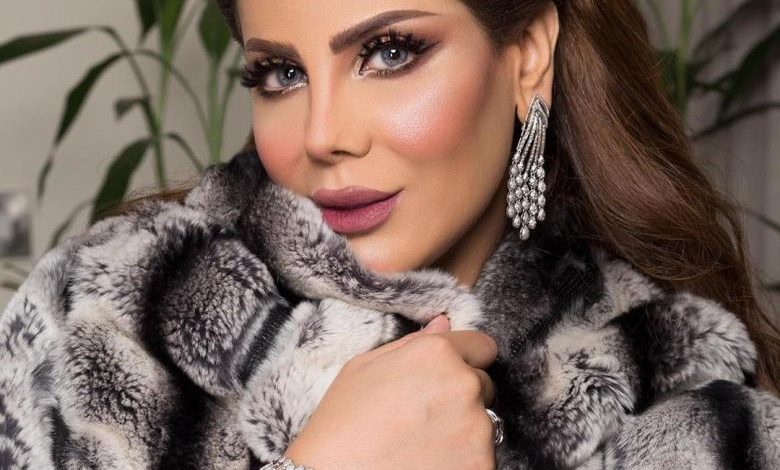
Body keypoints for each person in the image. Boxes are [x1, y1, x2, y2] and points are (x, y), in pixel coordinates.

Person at [1, 1, 779, 469]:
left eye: (390, 52)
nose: (323, 135)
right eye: (281, 73)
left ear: (527, 58)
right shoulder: (105, 321)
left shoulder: (689, 413)